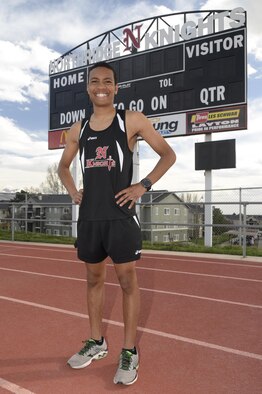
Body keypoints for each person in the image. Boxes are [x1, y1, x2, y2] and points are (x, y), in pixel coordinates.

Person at [58, 61, 176, 385]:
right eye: (95, 81)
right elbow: (63, 167)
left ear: (116, 87)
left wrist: (144, 186)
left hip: (121, 218)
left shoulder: (131, 120)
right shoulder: (77, 128)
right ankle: (96, 342)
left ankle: (129, 352)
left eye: (107, 81)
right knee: (93, 280)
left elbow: (168, 154)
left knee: (127, 283)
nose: (101, 86)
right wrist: (72, 191)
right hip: (91, 219)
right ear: (87, 87)